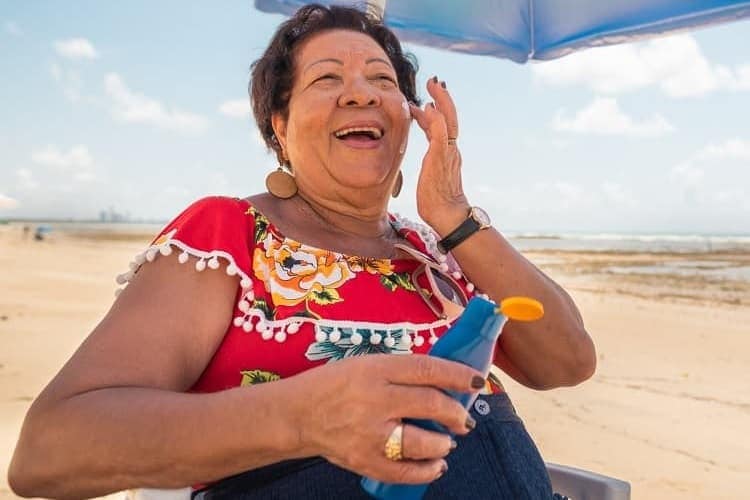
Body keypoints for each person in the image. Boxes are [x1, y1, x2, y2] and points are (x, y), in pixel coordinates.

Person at [8, 4, 596, 499]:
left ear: (409, 119)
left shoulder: (434, 250)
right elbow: (48, 450)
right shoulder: (230, 233)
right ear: (280, 127)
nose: (360, 93)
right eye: (327, 79)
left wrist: (454, 217)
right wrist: (301, 418)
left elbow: (566, 362)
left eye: (383, 80)